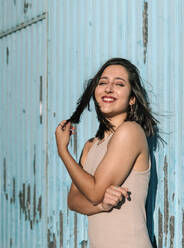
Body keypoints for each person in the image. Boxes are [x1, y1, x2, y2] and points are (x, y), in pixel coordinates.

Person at [55, 58, 158, 247]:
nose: (109, 88)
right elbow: (73, 200)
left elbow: (93, 192)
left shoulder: (130, 132)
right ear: (95, 92)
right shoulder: (90, 146)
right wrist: (101, 206)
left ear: (132, 99)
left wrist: (63, 151)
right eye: (103, 83)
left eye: (119, 84)